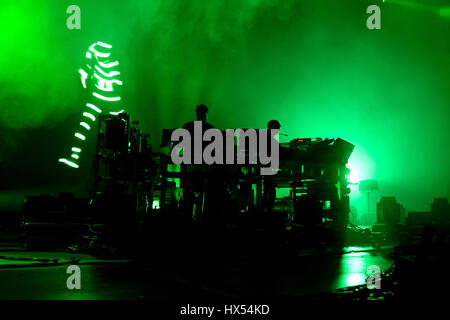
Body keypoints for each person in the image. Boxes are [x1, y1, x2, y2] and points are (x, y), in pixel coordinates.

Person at [180, 105, 216, 221]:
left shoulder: (187, 127)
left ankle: (188, 216)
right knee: (202, 193)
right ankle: (200, 216)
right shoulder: (210, 129)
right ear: (206, 113)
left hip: (191, 163)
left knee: (188, 193)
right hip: (203, 165)